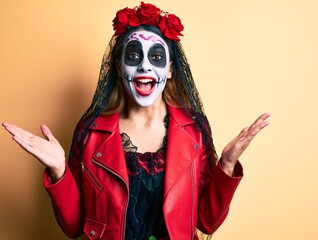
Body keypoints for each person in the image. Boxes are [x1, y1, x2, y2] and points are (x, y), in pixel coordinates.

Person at [2, 2, 270, 239]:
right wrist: (60, 171)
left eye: (156, 57)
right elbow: (74, 228)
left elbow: (206, 223)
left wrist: (226, 165)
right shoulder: (90, 132)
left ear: (170, 68)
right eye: (133, 56)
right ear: (119, 67)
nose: (145, 66)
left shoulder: (194, 130)